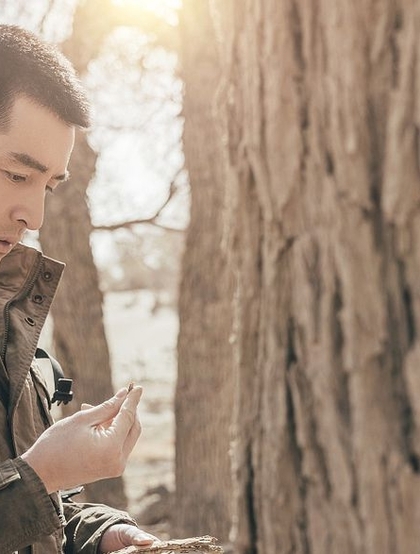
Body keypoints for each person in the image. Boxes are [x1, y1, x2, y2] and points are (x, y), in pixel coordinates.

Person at [0, 24, 157, 553]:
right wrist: (38, 477)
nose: (34, 215)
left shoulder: (13, 329)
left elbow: (43, 517)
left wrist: (103, 535)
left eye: (49, 185)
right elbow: (27, 485)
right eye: (15, 175)